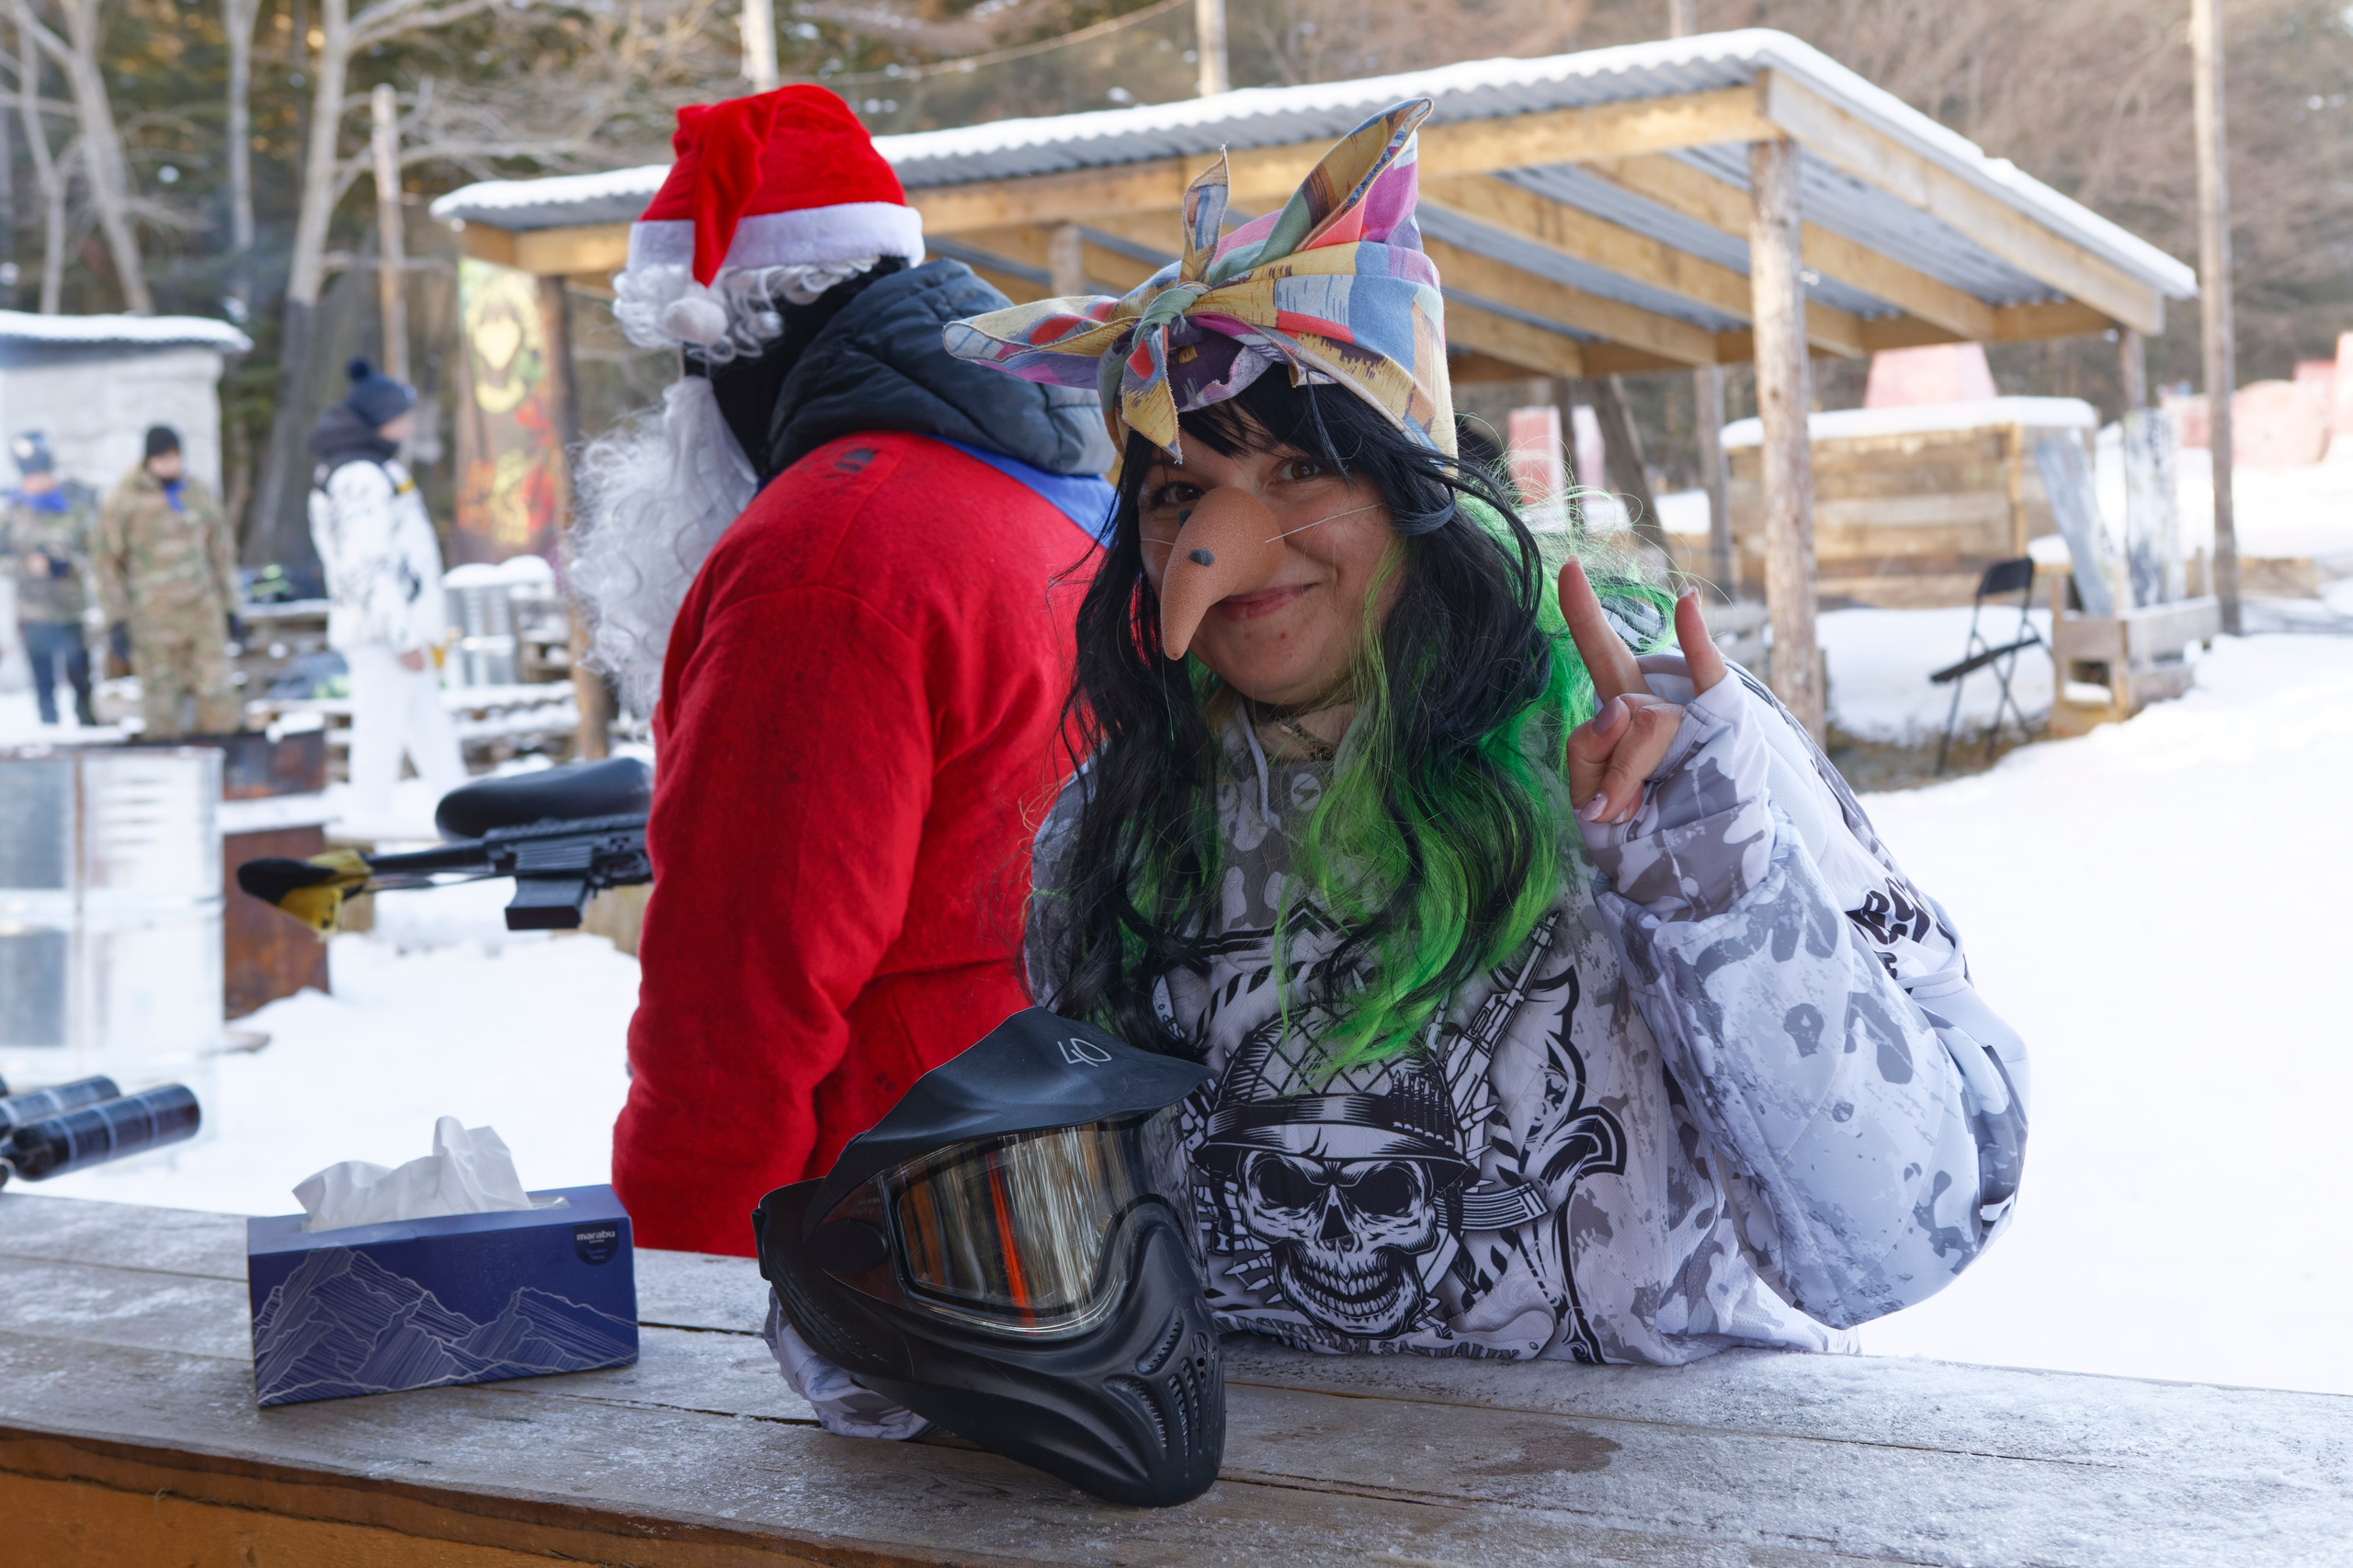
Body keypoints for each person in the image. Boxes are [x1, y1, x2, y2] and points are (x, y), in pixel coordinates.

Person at [940, 101, 2029, 1367]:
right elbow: (1089, 1271)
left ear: (1410, 499)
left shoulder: (1653, 741)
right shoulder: (1115, 829)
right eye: (1181, 490)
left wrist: (1713, 885)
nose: (1223, 539)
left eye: (1299, 472)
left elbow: (1903, 1240)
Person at [573, 86, 1115, 1255]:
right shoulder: (1051, 479)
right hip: (1057, 1155)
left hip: (885, 1216)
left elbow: (740, 1004)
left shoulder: (823, 557)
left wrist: (676, 1276)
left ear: (728, 342)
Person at [308, 358, 465, 825]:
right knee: (379, 737)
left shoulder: (375, 469)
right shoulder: (360, 477)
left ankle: (464, 817)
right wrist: (401, 636)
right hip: (383, 635)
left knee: (430, 731)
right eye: (402, 412)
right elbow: (366, 566)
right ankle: (368, 833)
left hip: (399, 631)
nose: (411, 422)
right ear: (379, 418)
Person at [95, 426, 241, 738]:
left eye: (175, 457)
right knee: (161, 702)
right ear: (149, 460)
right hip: (152, 620)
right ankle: (167, 769)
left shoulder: (195, 493)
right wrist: (115, 619)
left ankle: (223, 760)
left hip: (202, 612)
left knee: (217, 692)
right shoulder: (125, 500)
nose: (171, 465)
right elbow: (107, 563)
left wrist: (231, 606)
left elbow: (221, 552)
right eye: (163, 458)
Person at [1, 431, 97, 726]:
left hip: (71, 608)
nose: (37, 482)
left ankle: (87, 721)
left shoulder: (74, 505)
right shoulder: (12, 510)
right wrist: (25, 566)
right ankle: (48, 727)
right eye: (31, 476)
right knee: (43, 681)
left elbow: (96, 551)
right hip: (33, 611)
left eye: (41, 474)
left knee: (79, 673)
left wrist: (65, 565)